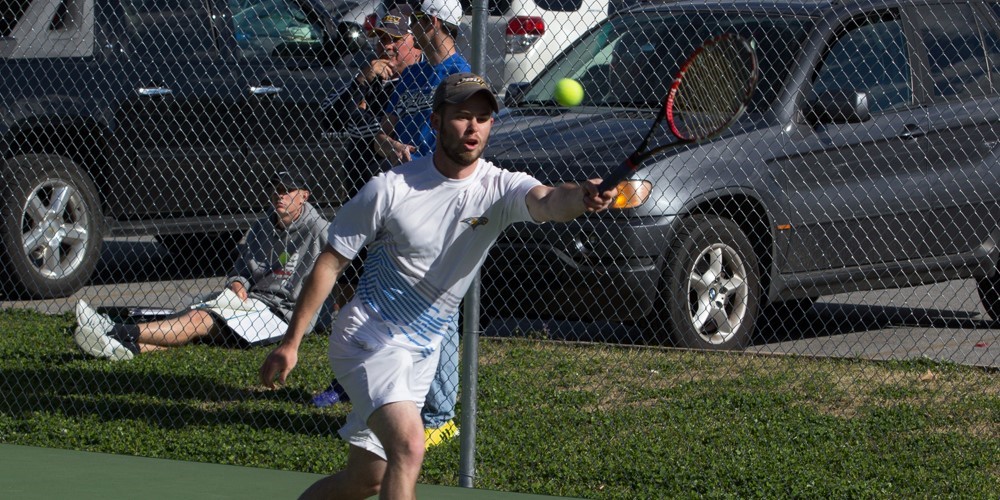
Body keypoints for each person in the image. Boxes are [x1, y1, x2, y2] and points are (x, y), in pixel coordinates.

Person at [258, 72, 616, 500]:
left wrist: (582, 196)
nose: (473, 128)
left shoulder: (499, 187)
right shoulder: (391, 189)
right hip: (368, 338)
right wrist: (292, 341)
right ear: (435, 121)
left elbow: (550, 200)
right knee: (410, 446)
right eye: (462, 116)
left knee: (365, 480)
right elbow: (330, 262)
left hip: (422, 352)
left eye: (482, 118)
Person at [73, 170, 330, 361]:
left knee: (197, 321)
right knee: (195, 322)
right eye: (276, 189)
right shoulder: (262, 226)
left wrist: (325, 318)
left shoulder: (320, 230)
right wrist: (238, 283)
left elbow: (341, 270)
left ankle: (112, 329)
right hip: (251, 302)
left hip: (283, 315)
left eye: (287, 190)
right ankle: (123, 348)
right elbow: (242, 268)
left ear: (304, 196)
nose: (280, 195)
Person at [322, 3, 424, 198]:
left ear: (417, 42)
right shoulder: (371, 76)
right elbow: (329, 118)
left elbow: (393, 129)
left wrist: (359, 116)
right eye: (382, 38)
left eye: (395, 39)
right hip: (360, 193)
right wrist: (361, 81)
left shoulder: (424, 81)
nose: (386, 45)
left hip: (405, 193)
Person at [372, 0, 471, 165]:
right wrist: (394, 146)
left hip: (439, 177)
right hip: (405, 176)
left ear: (432, 22)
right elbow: (380, 138)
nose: (411, 28)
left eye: (415, 20)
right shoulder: (411, 74)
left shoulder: (461, 76)